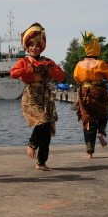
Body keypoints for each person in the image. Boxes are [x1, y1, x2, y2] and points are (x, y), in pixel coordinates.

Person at [10, 22, 65, 171]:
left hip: (45, 97)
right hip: (31, 96)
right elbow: (13, 74)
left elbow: (61, 76)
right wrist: (30, 68)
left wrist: (47, 69)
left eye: (37, 45)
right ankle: (32, 144)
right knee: (43, 121)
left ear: (41, 47)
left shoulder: (47, 61)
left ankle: (41, 163)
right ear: (27, 47)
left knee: (46, 132)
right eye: (31, 45)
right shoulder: (23, 61)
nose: (34, 48)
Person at [73, 31, 108, 158]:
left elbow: (76, 78)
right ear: (96, 48)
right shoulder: (100, 63)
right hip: (99, 91)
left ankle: (89, 153)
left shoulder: (79, 64)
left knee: (87, 120)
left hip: (84, 92)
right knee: (103, 115)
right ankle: (101, 132)